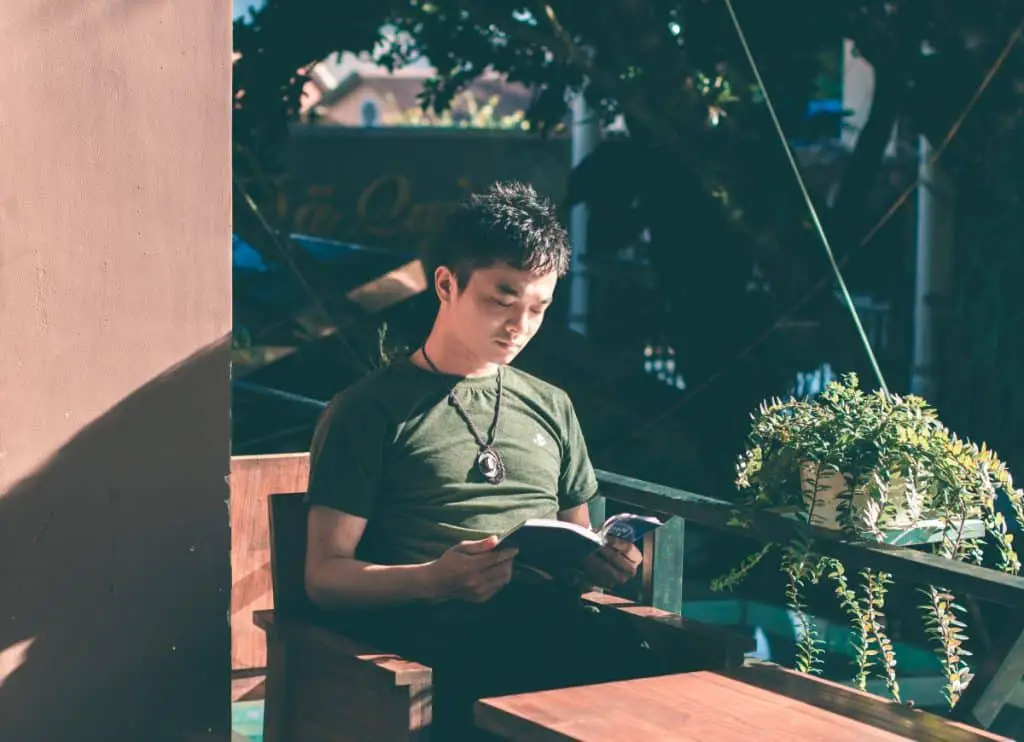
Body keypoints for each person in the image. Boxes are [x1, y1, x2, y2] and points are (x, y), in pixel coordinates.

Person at [303, 181, 657, 739]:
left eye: (538, 308)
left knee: (653, 669)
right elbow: (325, 576)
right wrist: (433, 579)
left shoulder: (551, 405)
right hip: (436, 642)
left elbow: (576, 540)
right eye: (501, 299)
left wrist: (603, 562)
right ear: (447, 284)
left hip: (549, 628)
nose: (520, 325)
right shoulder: (368, 411)